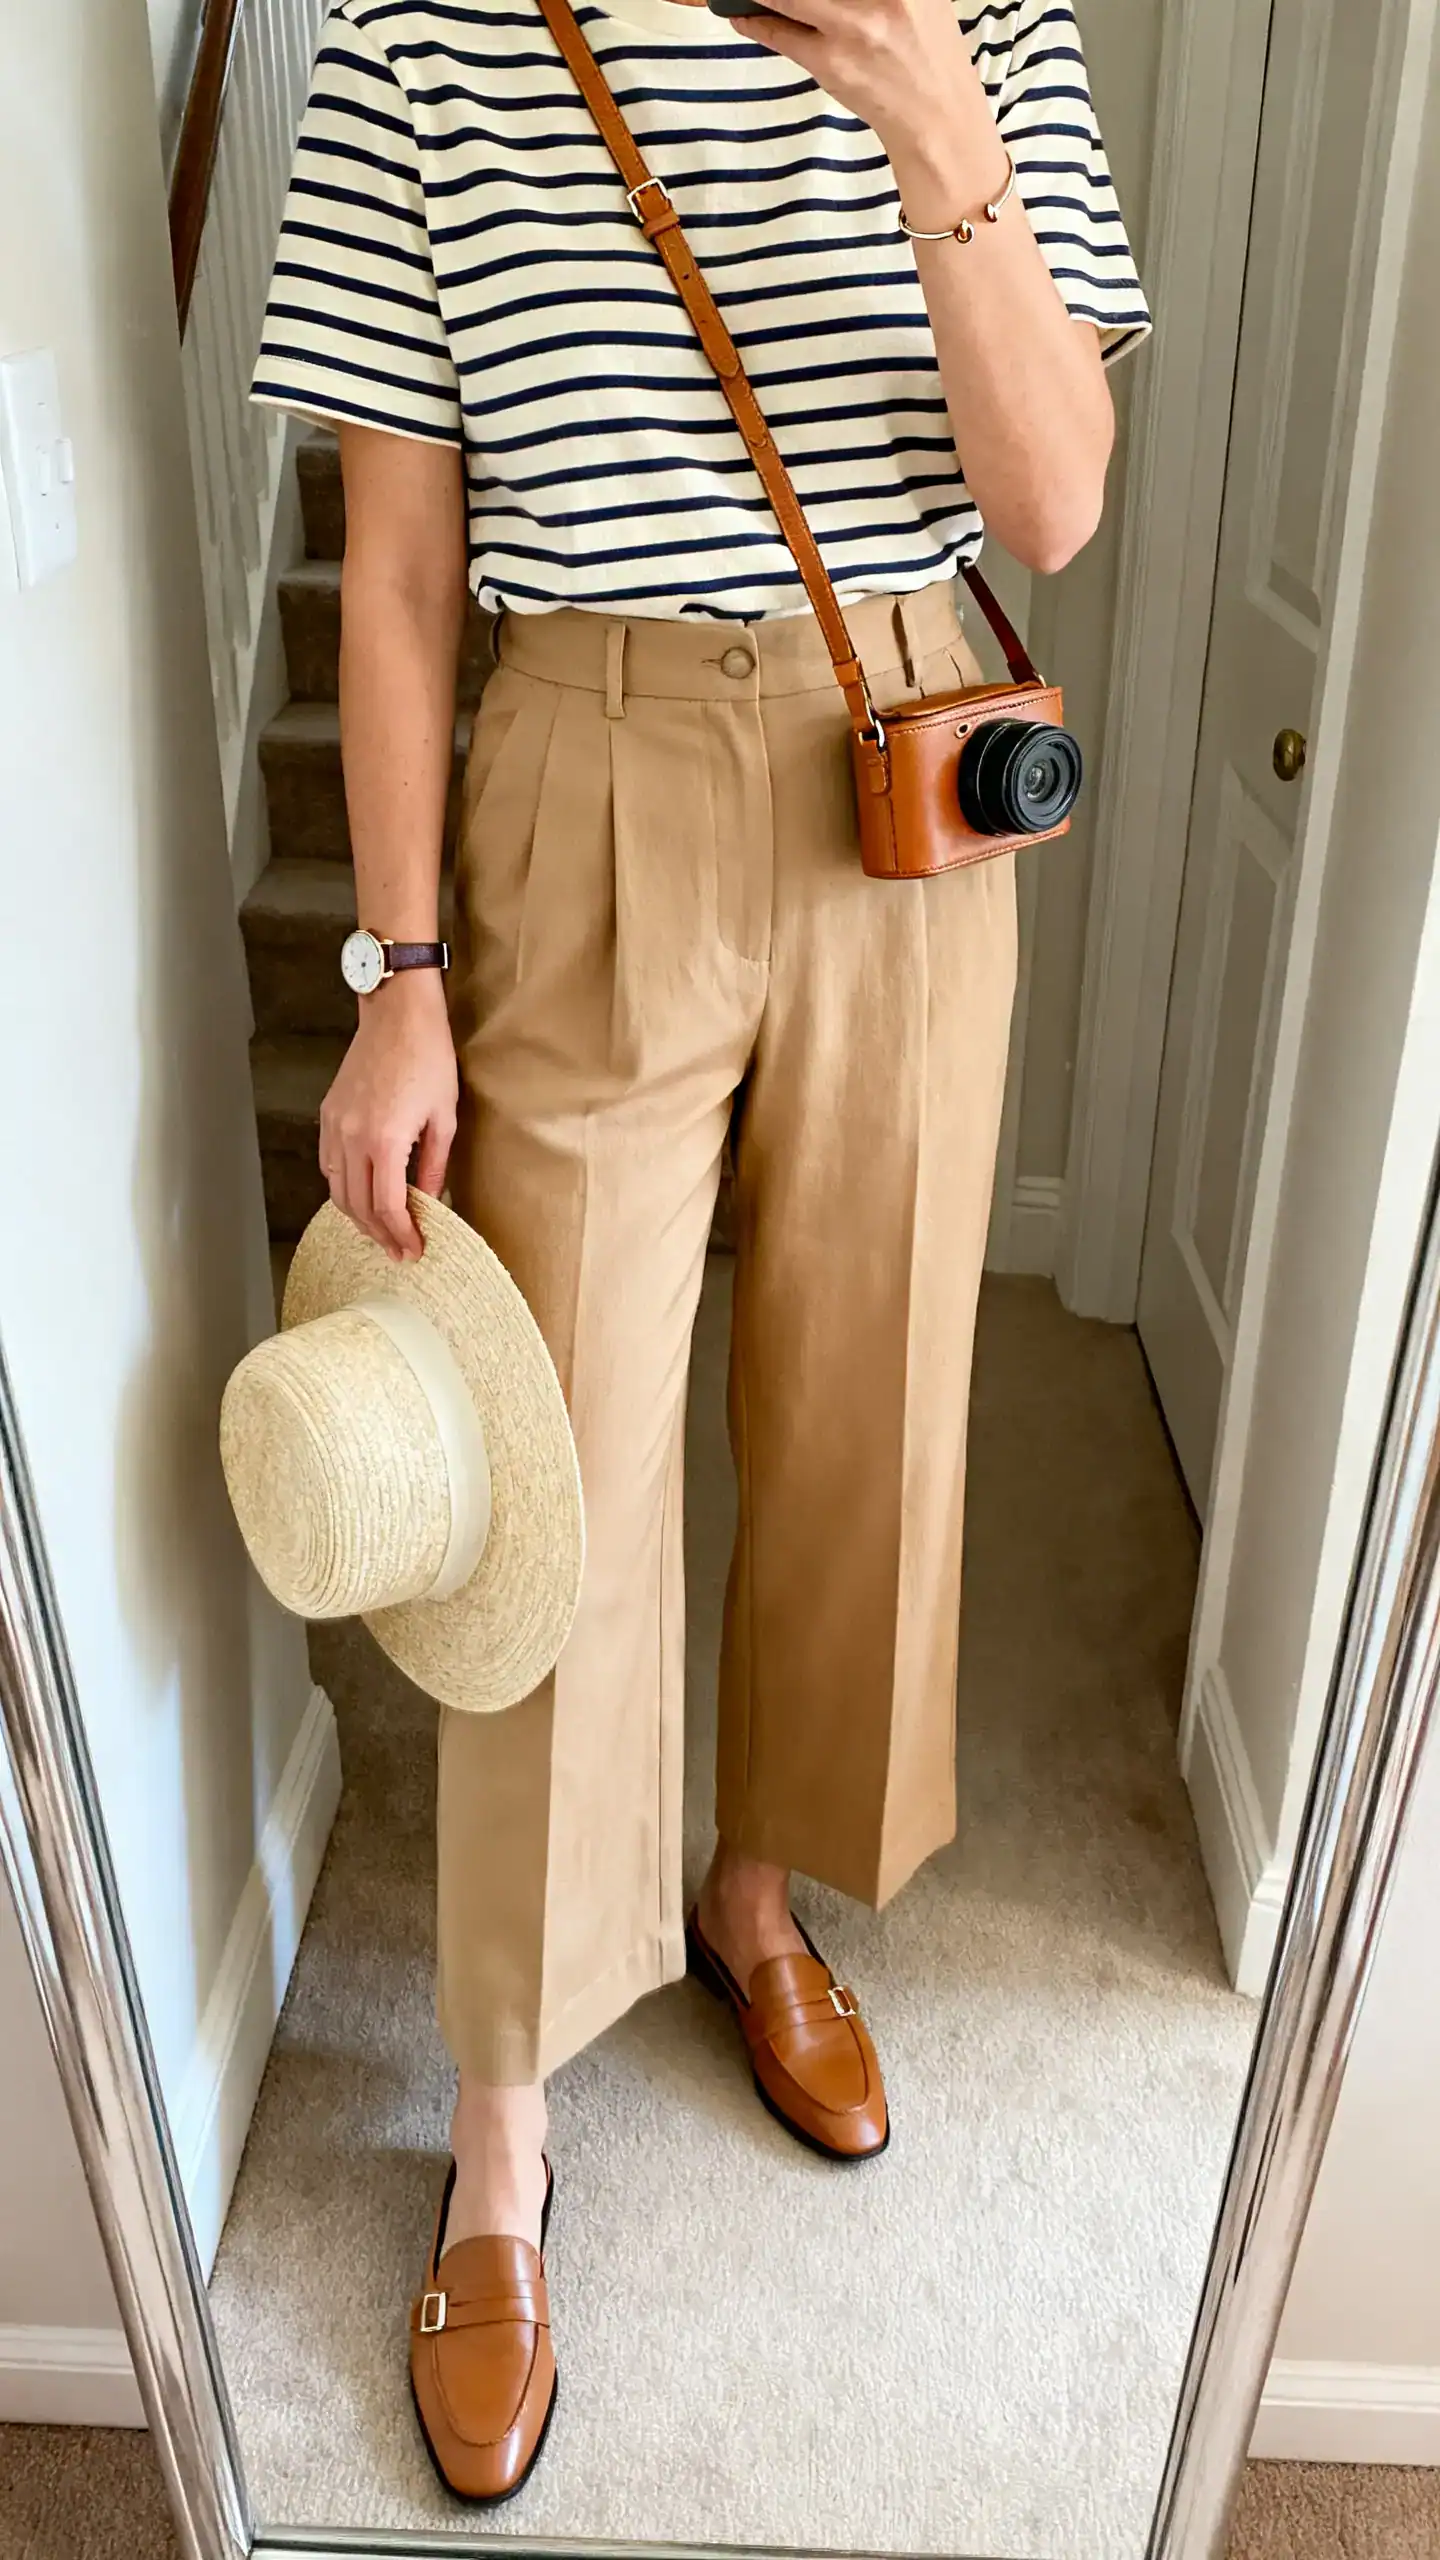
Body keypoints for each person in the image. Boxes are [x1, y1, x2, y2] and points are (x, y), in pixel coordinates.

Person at [252, 0, 1150, 2500]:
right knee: (553, 1472)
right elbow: (395, 567)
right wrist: (397, 975)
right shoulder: (419, 35)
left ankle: (756, 1887)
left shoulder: (990, 19)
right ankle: (504, 2114)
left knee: (871, 1391)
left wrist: (937, 116)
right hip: (584, 752)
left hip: (906, 741)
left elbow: (1055, 498)